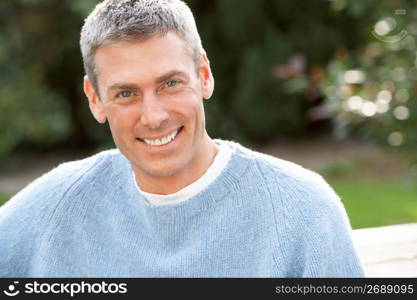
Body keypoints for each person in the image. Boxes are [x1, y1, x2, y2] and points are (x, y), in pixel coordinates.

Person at [0, 0, 364, 277]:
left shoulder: (302, 210)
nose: (154, 116)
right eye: (126, 93)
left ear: (204, 75)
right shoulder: (55, 205)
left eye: (171, 83)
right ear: (95, 99)